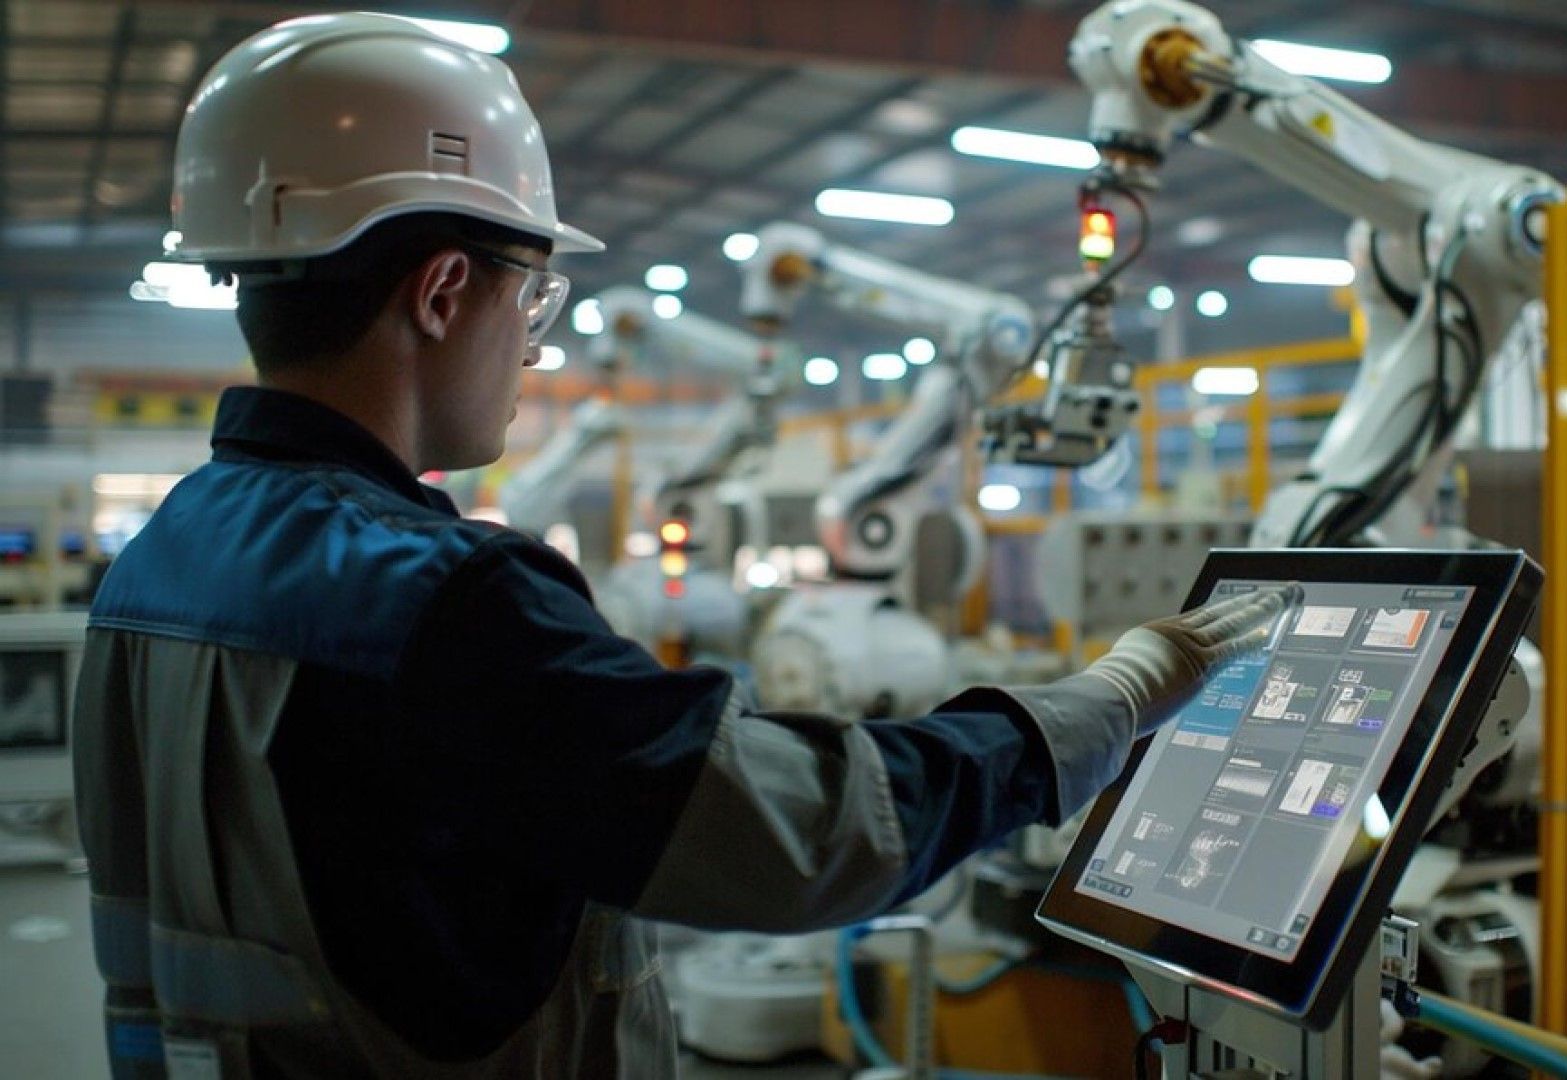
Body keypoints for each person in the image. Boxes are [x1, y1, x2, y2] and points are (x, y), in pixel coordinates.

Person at [71, 13, 1287, 1080]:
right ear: (443, 292)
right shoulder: (439, 601)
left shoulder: (156, 568)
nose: (535, 346)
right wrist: (1103, 705)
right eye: (529, 297)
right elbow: (805, 835)